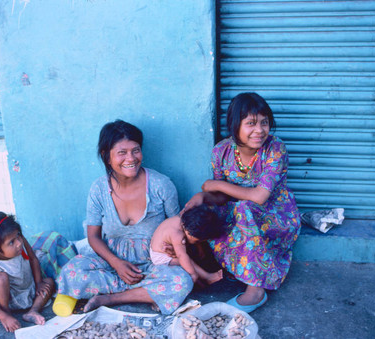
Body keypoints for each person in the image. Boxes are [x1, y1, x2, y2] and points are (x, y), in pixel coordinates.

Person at [56, 120, 193, 314]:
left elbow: (178, 226)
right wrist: (116, 263)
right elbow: (94, 236)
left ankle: (108, 298)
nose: (131, 158)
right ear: (106, 155)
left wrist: (173, 248)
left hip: (153, 262)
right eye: (122, 152)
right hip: (111, 260)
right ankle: (147, 294)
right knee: (72, 272)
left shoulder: (161, 185)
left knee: (181, 281)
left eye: (135, 150)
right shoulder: (99, 189)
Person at [185, 92, 301, 313]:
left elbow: (259, 197)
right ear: (235, 125)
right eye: (251, 123)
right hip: (240, 210)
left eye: (264, 123)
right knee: (211, 212)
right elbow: (220, 197)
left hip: (276, 214)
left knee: (245, 208)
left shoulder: (275, 149)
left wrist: (215, 185)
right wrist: (203, 197)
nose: (259, 130)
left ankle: (255, 290)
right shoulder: (221, 151)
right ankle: (222, 270)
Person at [0, 212, 55, 332]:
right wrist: (4, 317)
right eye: (11, 242)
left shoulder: (20, 243)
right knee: (0, 278)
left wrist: (38, 283)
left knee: (49, 282)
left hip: (28, 290)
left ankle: (33, 311)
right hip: (9, 299)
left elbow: (33, 259)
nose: (18, 243)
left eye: (18, 235)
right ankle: (7, 313)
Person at [150, 204, 225, 285]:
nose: (198, 243)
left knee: (186, 256)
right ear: (190, 233)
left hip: (160, 245)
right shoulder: (177, 234)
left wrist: (199, 247)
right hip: (161, 257)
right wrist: (193, 274)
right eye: (197, 241)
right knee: (186, 260)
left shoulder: (183, 220)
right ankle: (207, 277)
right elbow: (181, 256)